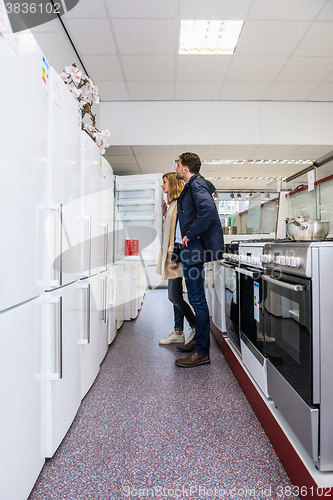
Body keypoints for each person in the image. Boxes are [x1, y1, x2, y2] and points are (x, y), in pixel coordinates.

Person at [174, 152, 224, 368]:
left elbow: (208, 210)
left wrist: (191, 233)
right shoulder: (192, 186)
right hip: (191, 251)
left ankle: (202, 352)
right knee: (196, 297)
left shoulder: (196, 185)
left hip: (194, 250)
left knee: (197, 299)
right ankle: (198, 342)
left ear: (185, 168)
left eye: (178, 165)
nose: (176, 168)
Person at [156, 172, 196, 345]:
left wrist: (173, 257)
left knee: (174, 296)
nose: (162, 186)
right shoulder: (173, 205)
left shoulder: (180, 205)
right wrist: (165, 213)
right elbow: (169, 231)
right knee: (176, 294)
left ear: (172, 184)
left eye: (164, 182)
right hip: (174, 255)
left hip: (176, 257)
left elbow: (178, 234)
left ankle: (196, 325)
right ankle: (178, 331)